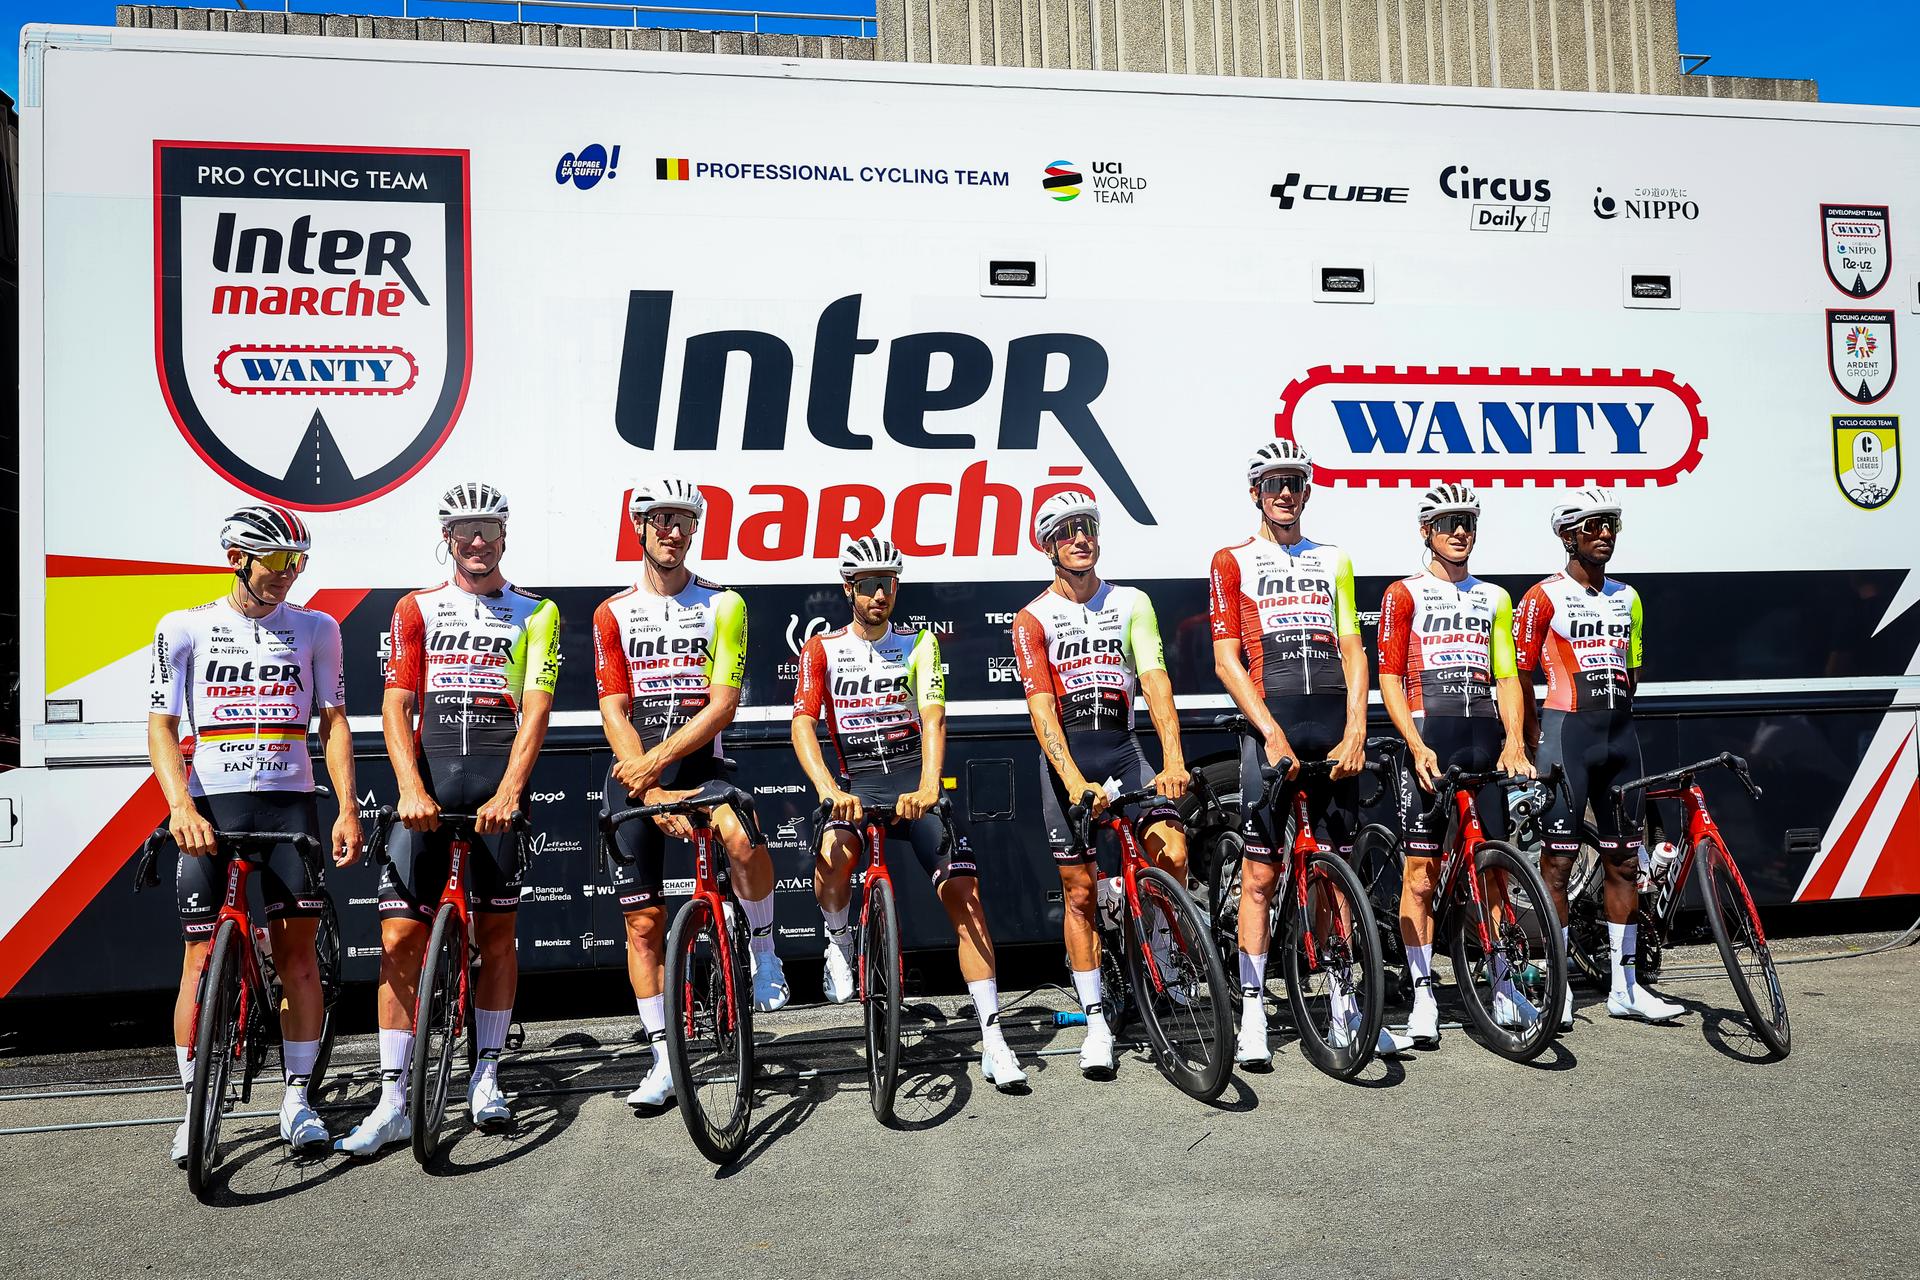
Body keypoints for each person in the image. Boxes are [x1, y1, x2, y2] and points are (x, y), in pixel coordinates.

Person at [336, 483, 561, 1154]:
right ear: (447, 536)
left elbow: (537, 710)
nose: (477, 540)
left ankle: (486, 1075)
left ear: (503, 535)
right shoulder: (417, 608)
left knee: (496, 937)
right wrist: (408, 786)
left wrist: (510, 794)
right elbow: (397, 703)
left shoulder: (536, 613)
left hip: (494, 784)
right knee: (401, 941)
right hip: (427, 789)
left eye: (488, 527)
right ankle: (393, 1100)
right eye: (464, 528)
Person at [147, 504, 361, 1164]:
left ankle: (298, 1100)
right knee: (198, 960)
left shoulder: (318, 629)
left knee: (297, 959)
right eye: (275, 561)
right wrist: (180, 807)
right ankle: (194, 1108)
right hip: (213, 809)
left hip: (289, 809)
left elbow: (334, 724)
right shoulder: (183, 629)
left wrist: (347, 809)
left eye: (298, 562)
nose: (288, 574)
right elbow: (160, 727)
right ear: (235, 556)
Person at [793, 537, 1027, 1090]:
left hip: (909, 787)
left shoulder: (919, 643)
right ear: (848, 588)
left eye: (889, 583)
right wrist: (829, 788)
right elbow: (803, 724)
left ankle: (993, 1038)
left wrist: (927, 788)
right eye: (869, 583)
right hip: (856, 785)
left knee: (964, 896)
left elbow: (933, 718)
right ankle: (838, 937)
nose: (880, 593)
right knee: (831, 857)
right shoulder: (822, 649)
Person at [1209, 441, 1406, 1062]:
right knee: (1262, 876)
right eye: (1274, 483)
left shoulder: (1334, 559)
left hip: (1331, 732)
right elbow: (1225, 658)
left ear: (1308, 491)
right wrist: (1267, 731)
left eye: (1295, 482)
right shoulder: (1231, 560)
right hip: (1272, 732)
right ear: (1255, 493)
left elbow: (1354, 648)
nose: (1286, 493)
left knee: (1336, 878)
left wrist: (1356, 728)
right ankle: (1252, 1014)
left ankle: (1345, 1001)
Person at [595, 476, 785, 1110]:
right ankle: (661, 1058)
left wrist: (659, 765)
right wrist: (647, 790)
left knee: (741, 836)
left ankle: (762, 951)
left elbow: (723, 704)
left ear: (695, 530)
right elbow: (614, 709)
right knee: (643, 924)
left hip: (700, 764)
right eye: (660, 520)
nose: (672, 530)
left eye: (683, 520)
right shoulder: (611, 613)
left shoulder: (724, 604)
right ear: (640, 527)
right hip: (635, 773)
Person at [1011, 491, 1188, 1078]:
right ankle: (1096, 1023)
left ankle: (1161, 964)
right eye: (1067, 532)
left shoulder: (1131, 601)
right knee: (1081, 893)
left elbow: (1156, 682)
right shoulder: (1033, 619)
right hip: (1068, 762)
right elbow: (1042, 713)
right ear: (1049, 547)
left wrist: (1173, 758)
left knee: (1174, 850)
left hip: (1123, 746)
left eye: (1087, 527)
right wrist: (1075, 781)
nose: (1081, 538)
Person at [1515, 488, 1683, 1026]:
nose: (1604, 534)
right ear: (1568, 537)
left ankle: (1625, 988)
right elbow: (1518, 678)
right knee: (1558, 864)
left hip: (1619, 739)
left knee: (1625, 862)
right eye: (1591, 527)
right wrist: (1527, 741)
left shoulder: (1628, 597)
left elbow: (1631, 672)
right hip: (1567, 738)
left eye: (1610, 525)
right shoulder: (1542, 597)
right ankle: (1558, 987)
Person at [1377, 484, 1534, 1047]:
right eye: (1447, 522)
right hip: (1429, 741)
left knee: (1493, 870)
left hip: (1482, 741)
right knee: (1420, 878)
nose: (1459, 531)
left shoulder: (1494, 597)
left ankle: (1501, 982)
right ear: (1427, 532)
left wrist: (1514, 740)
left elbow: (1508, 677)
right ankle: (1422, 991)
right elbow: (1389, 677)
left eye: (1467, 521)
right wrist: (1415, 745)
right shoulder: (1404, 593)